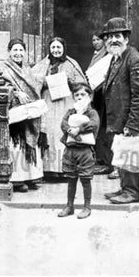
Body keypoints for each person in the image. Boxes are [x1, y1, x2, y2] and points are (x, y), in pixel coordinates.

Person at [99, 17, 139, 204]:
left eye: (117, 36)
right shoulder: (115, 58)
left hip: (128, 120)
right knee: (122, 154)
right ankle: (125, 188)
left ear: (126, 39)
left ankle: (132, 191)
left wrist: (133, 125)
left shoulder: (134, 59)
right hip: (117, 118)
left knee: (128, 153)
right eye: (109, 37)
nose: (113, 40)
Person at [32, 37, 87, 176]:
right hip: (48, 103)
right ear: (49, 49)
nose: (56, 50)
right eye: (53, 48)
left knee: (63, 134)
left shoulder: (71, 64)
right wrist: (45, 82)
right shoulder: (43, 64)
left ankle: (65, 169)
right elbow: (33, 80)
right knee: (49, 135)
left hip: (65, 104)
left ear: (63, 49)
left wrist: (69, 81)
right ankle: (49, 169)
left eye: (59, 48)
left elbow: (82, 84)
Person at [1, 38, 43, 193]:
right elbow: (1, 85)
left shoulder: (26, 67)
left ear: (24, 52)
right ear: (9, 52)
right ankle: (18, 180)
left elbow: (32, 86)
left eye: (20, 50)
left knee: (29, 142)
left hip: (29, 110)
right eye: (15, 50)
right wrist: (16, 93)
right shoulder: (4, 67)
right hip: (15, 113)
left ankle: (31, 177)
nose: (18, 53)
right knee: (17, 144)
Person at [58, 82, 100, 219]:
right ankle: (69, 206)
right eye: (77, 95)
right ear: (73, 97)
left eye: (83, 94)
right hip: (70, 149)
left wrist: (79, 129)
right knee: (71, 178)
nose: (80, 97)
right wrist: (70, 130)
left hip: (85, 151)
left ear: (90, 97)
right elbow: (63, 123)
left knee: (85, 179)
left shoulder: (92, 113)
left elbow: (94, 124)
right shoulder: (71, 112)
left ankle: (87, 207)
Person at [87, 33, 111, 175]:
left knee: (105, 127)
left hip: (105, 95)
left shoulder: (106, 56)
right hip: (97, 94)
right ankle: (103, 159)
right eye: (93, 39)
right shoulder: (96, 55)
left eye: (98, 39)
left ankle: (109, 162)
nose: (95, 42)